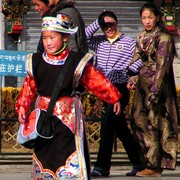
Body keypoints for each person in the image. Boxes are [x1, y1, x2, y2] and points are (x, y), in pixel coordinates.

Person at [15, 13, 122, 180]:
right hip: (43, 116)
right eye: (44, 38)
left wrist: (113, 97)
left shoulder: (76, 61)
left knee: (67, 150)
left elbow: (95, 80)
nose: (48, 42)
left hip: (68, 118)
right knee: (44, 152)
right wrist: (23, 105)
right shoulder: (35, 61)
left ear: (65, 38)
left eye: (52, 37)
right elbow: (29, 86)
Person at [85, 10, 145, 177]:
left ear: (117, 23)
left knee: (107, 124)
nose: (108, 28)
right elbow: (84, 35)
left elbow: (139, 58)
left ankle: (102, 167)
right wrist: (99, 21)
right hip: (104, 87)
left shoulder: (128, 41)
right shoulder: (99, 41)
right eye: (105, 25)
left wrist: (130, 73)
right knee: (120, 128)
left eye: (111, 24)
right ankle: (139, 163)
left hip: (120, 87)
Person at [127, 2, 179, 177]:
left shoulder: (164, 38)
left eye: (150, 17)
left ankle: (156, 164)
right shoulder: (141, 36)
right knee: (137, 120)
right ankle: (147, 160)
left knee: (156, 123)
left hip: (158, 87)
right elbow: (137, 62)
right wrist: (133, 78)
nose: (147, 21)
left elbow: (162, 67)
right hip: (143, 86)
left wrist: (155, 91)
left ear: (158, 17)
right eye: (144, 18)